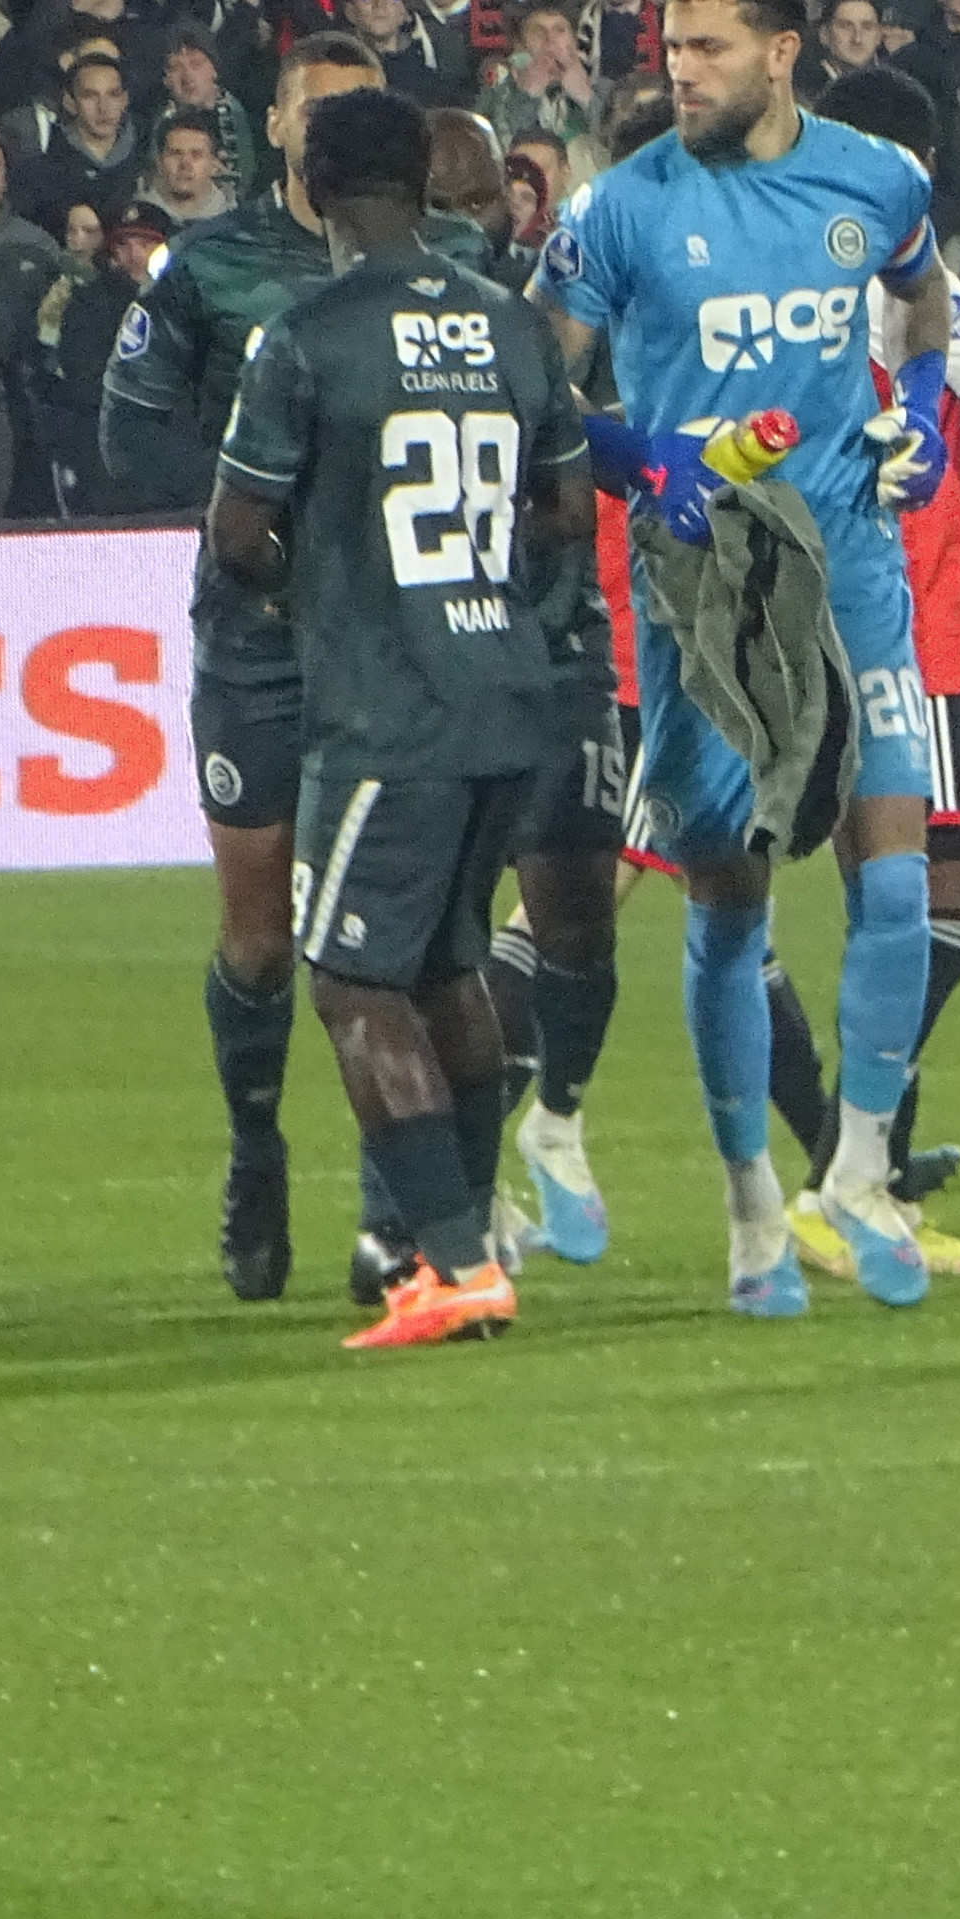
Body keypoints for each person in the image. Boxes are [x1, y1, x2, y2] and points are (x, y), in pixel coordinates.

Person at [534, 0, 956, 1320]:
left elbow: (926, 301)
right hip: (705, 596)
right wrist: (644, 460)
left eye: (709, 47)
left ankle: (860, 1173)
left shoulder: (876, 180)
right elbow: (539, 391)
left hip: (852, 569)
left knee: (898, 883)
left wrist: (924, 414)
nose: (681, 68)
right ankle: (750, 1206)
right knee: (730, 903)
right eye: (672, 46)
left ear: (783, 52)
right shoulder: (620, 212)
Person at [204, 88, 594, 1350]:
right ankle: (450, 1251)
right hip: (507, 688)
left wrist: (326, 593)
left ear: (312, 188)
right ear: (427, 186)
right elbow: (566, 512)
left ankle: (464, 1261)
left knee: (352, 979)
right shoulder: (509, 322)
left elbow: (237, 534)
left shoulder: (309, 333)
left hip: (389, 704)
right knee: (448, 968)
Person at [753, 66, 960, 1286]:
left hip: (818, 614)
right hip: (915, 631)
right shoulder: (912, 282)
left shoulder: (776, 280)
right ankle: (849, 1163)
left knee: (860, 899)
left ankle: (858, 1167)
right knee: (950, 906)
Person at [96, 31, 393, 1299]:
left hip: (389, 641)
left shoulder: (427, 271)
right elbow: (128, 438)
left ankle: (398, 1211)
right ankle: (257, 1148)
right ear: (273, 129)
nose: (325, 137)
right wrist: (251, 504)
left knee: (383, 931)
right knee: (261, 934)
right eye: (309, 115)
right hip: (257, 641)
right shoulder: (209, 269)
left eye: (351, 118)